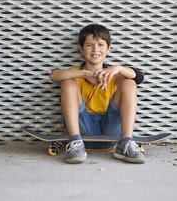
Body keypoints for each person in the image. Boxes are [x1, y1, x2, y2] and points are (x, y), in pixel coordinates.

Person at [49, 24, 145, 164]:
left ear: (108, 49)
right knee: (68, 82)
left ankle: (126, 142)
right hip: (82, 133)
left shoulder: (114, 75)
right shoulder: (75, 73)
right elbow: (53, 75)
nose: (95, 49)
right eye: (89, 45)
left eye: (101, 45)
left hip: (110, 131)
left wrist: (119, 68)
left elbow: (140, 78)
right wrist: (85, 74)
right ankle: (75, 142)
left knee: (129, 82)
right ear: (81, 48)